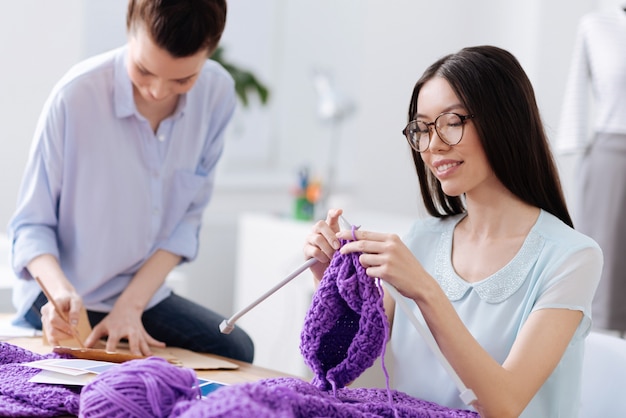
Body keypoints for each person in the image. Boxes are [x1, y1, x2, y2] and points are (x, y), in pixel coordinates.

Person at [304, 46, 603, 417]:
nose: (433, 145)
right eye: (422, 129)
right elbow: (348, 368)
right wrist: (328, 282)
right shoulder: (421, 238)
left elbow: (504, 405)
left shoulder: (572, 257)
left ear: (504, 120)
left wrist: (426, 290)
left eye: (451, 122)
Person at [8, 0, 254, 362]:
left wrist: (130, 306)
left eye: (182, 79)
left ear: (210, 50)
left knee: (236, 349)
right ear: (129, 29)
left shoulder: (217, 95)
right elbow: (31, 226)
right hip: (67, 299)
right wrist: (59, 293)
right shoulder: (75, 97)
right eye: (144, 70)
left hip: (140, 297)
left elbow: (187, 221)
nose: (158, 91)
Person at [557, 5, 626, 335]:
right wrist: (575, 143)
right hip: (611, 155)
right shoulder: (596, 25)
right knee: (607, 261)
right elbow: (576, 93)